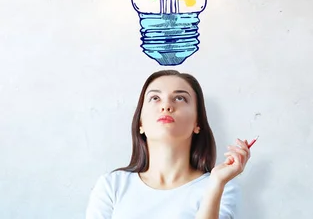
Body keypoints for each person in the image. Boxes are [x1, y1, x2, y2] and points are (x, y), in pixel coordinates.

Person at [85, 70, 251, 219]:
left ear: (197, 122)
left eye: (180, 98)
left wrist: (216, 183)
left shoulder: (222, 187)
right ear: (140, 123)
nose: (166, 106)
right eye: (155, 98)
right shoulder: (112, 185)